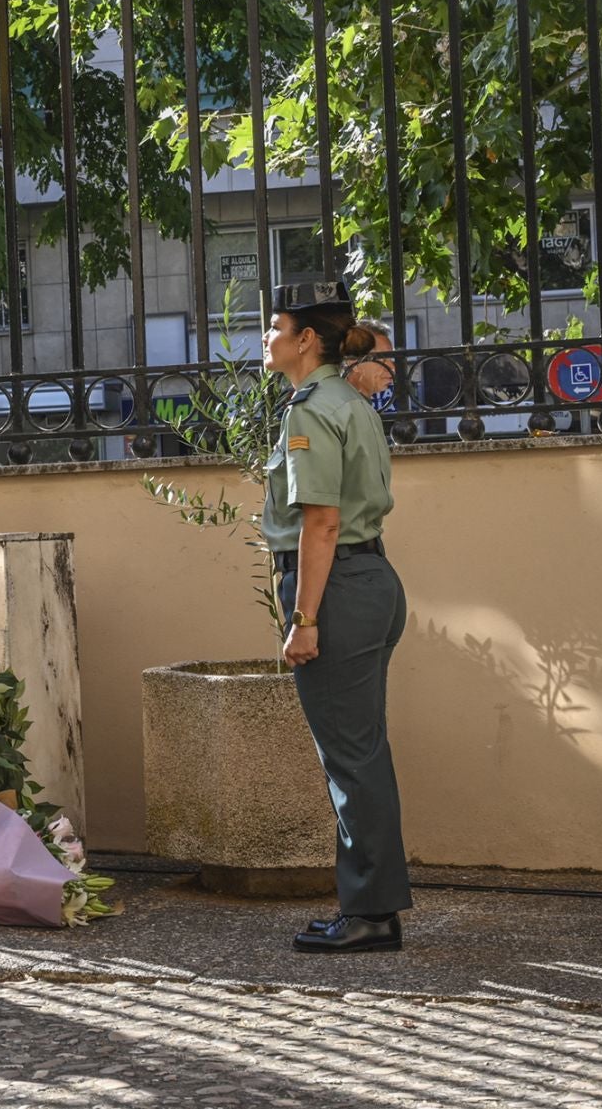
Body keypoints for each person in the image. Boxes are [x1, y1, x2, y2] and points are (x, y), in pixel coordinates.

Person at [261, 280, 410, 954]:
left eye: (274, 325)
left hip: (339, 587)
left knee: (351, 760)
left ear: (305, 340)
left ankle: (370, 913)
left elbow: (320, 522)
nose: (265, 337)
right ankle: (374, 904)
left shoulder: (311, 408)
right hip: (372, 579)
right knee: (363, 754)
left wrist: (305, 617)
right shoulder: (348, 398)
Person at [343, 320, 396, 401]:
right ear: (353, 361)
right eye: (381, 359)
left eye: (391, 358)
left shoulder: (354, 403)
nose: (392, 367)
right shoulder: (345, 406)